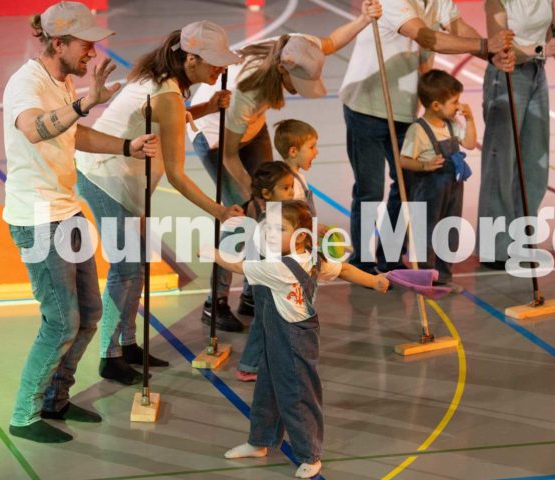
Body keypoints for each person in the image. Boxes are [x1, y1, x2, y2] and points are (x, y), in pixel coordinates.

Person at [3, 2, 158, 443]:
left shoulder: (64, 80)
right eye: (85, 44)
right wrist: (86, 101)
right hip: (37, 218)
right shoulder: (26, 83)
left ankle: (56, 399)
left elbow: (72, 133)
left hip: (66, 210)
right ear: (58, 43)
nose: (92, 52)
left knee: (89, 313)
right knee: (60, 321)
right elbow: (35, 128)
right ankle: (24, 414)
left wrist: (125, 146)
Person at [190, 0, 383, 331]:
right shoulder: (248, 91)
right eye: (297, 82)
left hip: (252, 128)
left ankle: (252, 295)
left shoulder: (297, 46)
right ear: (282, 70)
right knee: (243, 216)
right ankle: (215, 302)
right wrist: (256, 198)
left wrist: (364, 19)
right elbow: (230, 155)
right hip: (217, 138)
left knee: (274, 213)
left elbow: (331, 41)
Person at [75, 21, 243, 385]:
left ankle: (128, 344)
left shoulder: (165, 80)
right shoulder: (166, 94)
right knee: (126, 266)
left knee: (137, 265)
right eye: (214, 61)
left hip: (123, 178)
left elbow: (170, 119)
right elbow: (178, 175)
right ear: (191, 59)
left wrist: (206, 107)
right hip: (105, 177)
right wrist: (218, 210)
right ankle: (109, 355)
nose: (221, 68)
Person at [217, 200, 390, 479]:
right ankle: (260, 441)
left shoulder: (285, 266)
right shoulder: (296, 256)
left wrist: (212, 252)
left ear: (300, 236)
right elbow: (343, 269)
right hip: (274, 332)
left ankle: (310, 454)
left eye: (280, 229)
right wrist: (374, 281)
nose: (270, 233)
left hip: (295, 337)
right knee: (267, 388)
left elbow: (237, 265)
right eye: (267, 226)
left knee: (297, 393)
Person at [339, 0, 515, 274]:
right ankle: (361, 263)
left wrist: (490, 55)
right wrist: (485, 45)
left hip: (403, 109)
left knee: (405, 185)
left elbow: (458, 27)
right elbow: (427, 37)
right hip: (366, 107)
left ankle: (390, 259)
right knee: (370, 190)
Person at [477, 0, 555, 269]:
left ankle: (521, 238)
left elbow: (553, 39)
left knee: (535, 161)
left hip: (537, 74)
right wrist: (540, 50)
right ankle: (495, 247)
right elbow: (501, 48)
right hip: (508, 74)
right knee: (501, 163)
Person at [399, 70, 476, 287]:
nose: (458, 106)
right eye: (454, 102)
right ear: (435, 105)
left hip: (453, 187)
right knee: (426, 231)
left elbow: (470, 143)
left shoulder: (452, 124)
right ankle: (425, 277)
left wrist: (470, 119)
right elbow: (403, 160)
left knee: (449, 230)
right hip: (429, 187)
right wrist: (424, 165)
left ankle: (443, 276)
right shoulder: (419, 130)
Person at [230, 161, 296, 382]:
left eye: (291, 186)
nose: (291, 191)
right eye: (285, 188)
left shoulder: (278, 216)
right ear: (267, 193)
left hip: (270, 277)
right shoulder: (269, 221)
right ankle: (248, 366)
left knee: (273, 319)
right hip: (266, 279)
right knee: (265, 320)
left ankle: (267, 360)